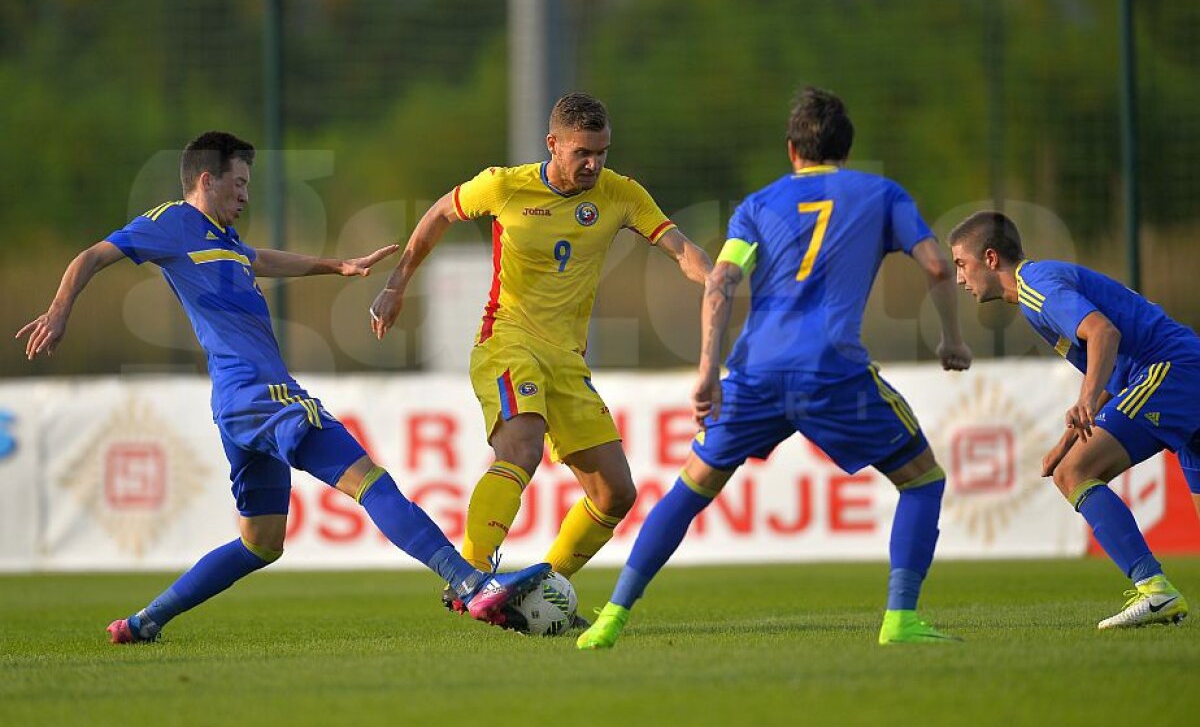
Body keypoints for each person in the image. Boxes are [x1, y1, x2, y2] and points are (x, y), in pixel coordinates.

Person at [16, 131, 548, 643]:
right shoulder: (172, 223)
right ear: (206, 180)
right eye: (239, 183)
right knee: (371, 482)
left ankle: (143, 622)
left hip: (238, 406)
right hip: (262, 395)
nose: (245, 195)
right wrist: (59, 311)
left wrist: (336, 266)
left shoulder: (221, 240)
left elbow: (261, 259)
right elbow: (93, 255)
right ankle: (471, 584)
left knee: (261, 543)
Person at [577, 87, 972, 650]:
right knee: (923, 480)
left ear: (792, 149)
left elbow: (720, 281)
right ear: (846, 149)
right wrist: (951, 340)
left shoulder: (758, 205)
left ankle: (612, 617)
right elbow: (936, 266)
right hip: (832, 370)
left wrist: (708, 369)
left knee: (690, 489)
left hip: (754, 372)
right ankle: (901, 619)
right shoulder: (881, 194)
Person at [369, 93, 712, 628]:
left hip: (567, 360)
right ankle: (470, 578)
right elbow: (439, 213)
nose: (593, 164)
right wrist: (396, 285)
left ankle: (542, 590)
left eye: (601, 152)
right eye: (582, 153)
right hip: (507, 340)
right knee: (522, 447)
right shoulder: (504, 186)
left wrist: (718, 279)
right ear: (552, 144)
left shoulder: (620, 194)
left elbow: (682, 249)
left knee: (615, 493)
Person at [948, 210, 1193, 629]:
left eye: (960, 264)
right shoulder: (1040, 285)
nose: (959, 278)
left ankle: (1154, 589)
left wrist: (1083, 403)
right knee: (1069, 464)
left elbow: (1103, 333)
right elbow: (1114, 369)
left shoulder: (1036, 286)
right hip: (1183, 369)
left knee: (1075, 473)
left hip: (1170, 371)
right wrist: (1065, 442)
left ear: (990, 258)